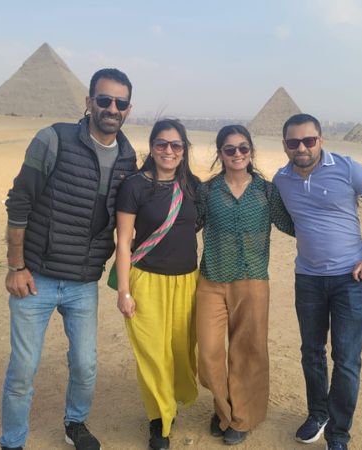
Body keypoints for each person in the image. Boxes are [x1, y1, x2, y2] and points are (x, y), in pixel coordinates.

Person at [0, 68, 137, 450]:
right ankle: (12, 442)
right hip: (36, 277)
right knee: (23, 371)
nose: (112, 108)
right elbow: (19, 201)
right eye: (105, 99)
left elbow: (129, 215)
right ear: (89, 101)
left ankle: (74, 423)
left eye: (120, 103)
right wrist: (15, 266)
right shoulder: (53, 139)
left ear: (128, 108)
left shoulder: (128, 155)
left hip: (82, 281)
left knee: (86, 364)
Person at [272, 114, 362, 450]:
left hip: (350, 279)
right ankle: (318, 413)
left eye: (308, 140)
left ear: (321, 139)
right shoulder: (281, 180)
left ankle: (338, 434)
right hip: (309, 279)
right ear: (284, 145)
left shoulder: (347, 168)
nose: (301, 147)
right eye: (293, 142)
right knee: (311, 353)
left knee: (346, 359)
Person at [195, 125, 295, 445]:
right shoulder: (207, 191)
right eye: (230, 149)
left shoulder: (266, 191)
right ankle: (224, 408)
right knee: (209, 353)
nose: (237, 154)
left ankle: (240, 417)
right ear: (220, 154)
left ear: (251, 151)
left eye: (243, 148)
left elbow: (291, 223)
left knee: (248, 352)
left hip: (252, 281)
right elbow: (184, 223)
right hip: (211, 279)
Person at [114, 119, 201, 450]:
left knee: (180, 352)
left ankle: (170, 402)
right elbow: (124, 243)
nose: (169, 151)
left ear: (184, 150)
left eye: (176, 145)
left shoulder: (192, 186)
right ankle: (159, 420)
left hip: (186, 283)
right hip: (146, 280)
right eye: (162, 144)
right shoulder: (134, 186)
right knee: (152, 353)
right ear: (151, 147)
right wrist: (124, 292)